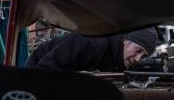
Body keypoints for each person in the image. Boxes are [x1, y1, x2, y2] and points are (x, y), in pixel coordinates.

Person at [26, 28, 158, 72]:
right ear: (126, 40)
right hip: (41, 66)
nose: (137, 59)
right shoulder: (92, 43)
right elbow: (47, 66)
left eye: (143, 56)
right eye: (138, 51)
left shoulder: (120, 58)